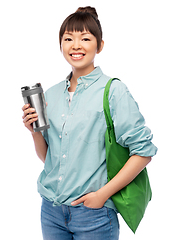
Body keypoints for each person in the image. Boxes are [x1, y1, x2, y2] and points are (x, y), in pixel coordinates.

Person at [21, 6, 157, 240]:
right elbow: (52, 160)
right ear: (60, 45)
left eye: (85, 38)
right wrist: (34, 132)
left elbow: (143, 153)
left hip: (93, 215)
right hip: (51, 211)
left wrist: (103, 195)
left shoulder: (113, 91)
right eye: (68, 38)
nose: (76, 45)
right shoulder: (51, 96)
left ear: (99, 45)